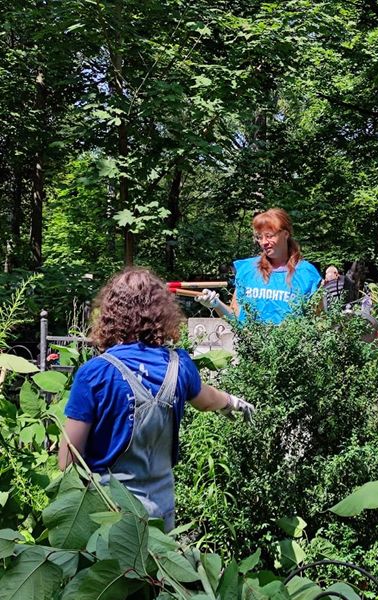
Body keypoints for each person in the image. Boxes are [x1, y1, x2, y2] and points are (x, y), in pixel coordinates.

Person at [58, 267, 254, 531]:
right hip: (162, 514)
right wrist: (233, 402)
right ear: (161, 312)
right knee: (158, 573)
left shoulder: (95, 374)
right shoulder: (179, 365)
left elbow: (68, 460)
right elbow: (208, 399)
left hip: (108, 516)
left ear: (110, 314)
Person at [196, 208, 321, 325]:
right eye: (260, 237)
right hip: (250, 347)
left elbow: (320, 322)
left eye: (269, 236)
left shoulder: (306, 274)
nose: (264, 242)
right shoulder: (248, 270)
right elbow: (235, 318)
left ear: (286, 234)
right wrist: (217, 305)